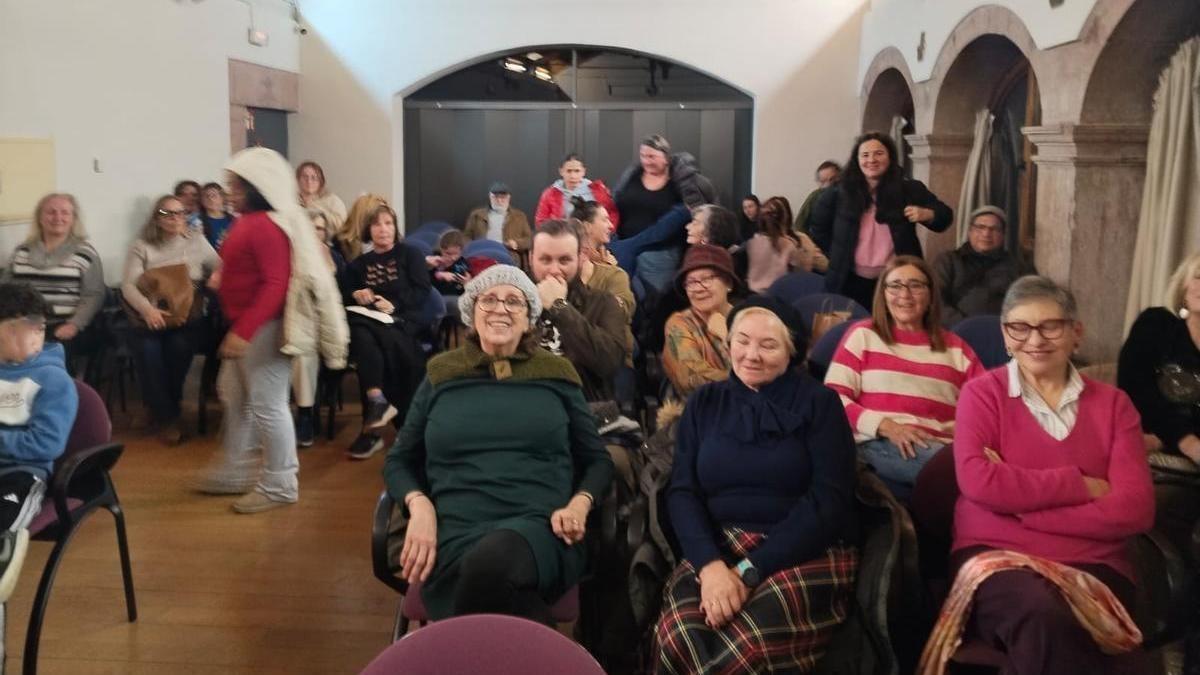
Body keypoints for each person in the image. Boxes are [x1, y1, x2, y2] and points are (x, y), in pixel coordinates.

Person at [925, 276, 1154, 674]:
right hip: (996, 559)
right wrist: (1080, 485)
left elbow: (1134, 510)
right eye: (1020, 327)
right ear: (1005, 334)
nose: (1035, 339)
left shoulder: (1115, 406)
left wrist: (1021, 510)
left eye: (1051, 325)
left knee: (1058, 628)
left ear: (1075, 332)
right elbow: (979, 482)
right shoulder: (983, 394)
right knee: (1039, 613)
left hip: (1094, 564)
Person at [383, 264, 614, 622]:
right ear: (472, 315)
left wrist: (580, 505)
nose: (500, 309)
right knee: (492, 582)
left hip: (541, 526)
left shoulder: (556, 374)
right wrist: (420, 506)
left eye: (514, 302)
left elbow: (597, 460)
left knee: (489, 566)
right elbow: (399, 460)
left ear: (528, 320)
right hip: (451, 529)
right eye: (488, 300)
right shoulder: (442, 373)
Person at [655, 296, 858, 674]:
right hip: (716, 547)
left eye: (768, 345)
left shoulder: (820, 404)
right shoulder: (704, 402)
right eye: (742, 341)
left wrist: (751, 570)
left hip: (800, 549)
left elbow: (828, 502)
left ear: (791, 351)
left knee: (741, 652)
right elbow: (682, 491)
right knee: (679, 637)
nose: (751, 355)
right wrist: (711, 566)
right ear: (728, 342)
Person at [197, 147, 348, 513]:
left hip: (264, 327)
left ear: (255, 187)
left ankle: (280, 483)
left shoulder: (265, 225)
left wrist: (244, 331)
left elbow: (275, 284)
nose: (229, 190)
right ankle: (234, 470)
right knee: (235, 396)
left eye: (236, 185)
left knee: (268, 406)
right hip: (249, 325)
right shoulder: (252, 220)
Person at [825, 255, 984, 502]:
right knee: (969, 479)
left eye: (915, 285)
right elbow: (832, 400)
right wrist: (887, 426)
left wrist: (968, 441)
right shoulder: (864, 335)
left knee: (976, 470)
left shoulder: (956, 348)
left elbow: (985, 408)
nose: (905, 294)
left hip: (944, 446)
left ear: (930, 294)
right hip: (880, 441)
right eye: (895, 286)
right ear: (883, 294)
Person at [810, 132, 953, 310]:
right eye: (865, 155)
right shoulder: (838, 193)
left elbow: (946, 216)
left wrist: (929, 214)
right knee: (852, 332)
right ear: (857, 160)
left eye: (879, 153)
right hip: (848, 280)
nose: (872, 160)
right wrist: (839, 253)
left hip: (897, 281)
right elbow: (817, 229)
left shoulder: (909, 189)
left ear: (890, 157)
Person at [1119, 252, 1200, 565]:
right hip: (1162, 461)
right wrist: (1185, 440)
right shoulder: (1156, 326)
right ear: (1183, 284)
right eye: (1198, 276)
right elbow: (1135, 391)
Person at [0, 282, 78, 602]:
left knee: (3, 525)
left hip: (22, 473)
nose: (35, 335)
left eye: (39, 328)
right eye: (24, 328)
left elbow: (46, 444)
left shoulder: (52, 379)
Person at [122, 194, 220, 444]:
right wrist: (147, 310)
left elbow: (221, 267)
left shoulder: (196, 241)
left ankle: (160, 410)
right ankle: (169, 416)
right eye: (168, 213)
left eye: (180, 213)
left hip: (187, 316)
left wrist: (215, 279)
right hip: (151, 315)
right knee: (148, 349)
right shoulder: (142, 245)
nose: (176, 218)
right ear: (157, 217)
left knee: (177, 347)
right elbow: (128, 286)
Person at [344, 202, 432, 460]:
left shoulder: (410, 255)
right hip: (372, 321)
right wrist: (357, 294)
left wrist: (395, 304)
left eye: (388, 223)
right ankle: (379, 404)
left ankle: (373, 421)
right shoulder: (359, 265)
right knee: (362, 330)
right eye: (376, 224)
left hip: (403, 321)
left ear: (395, 228)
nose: (383, 229)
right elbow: (346, 295)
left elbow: (422, 291)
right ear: (367, 230)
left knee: (366, 341)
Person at [5, 193, 105, 371]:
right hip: (22, 323)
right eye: (51, 212)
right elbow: (5, 290)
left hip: (64, 326)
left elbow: (94, 294)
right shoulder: (21, 251)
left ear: (73, 219)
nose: (58, 217)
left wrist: (74, 324)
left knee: (48, 366)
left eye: (65, 213)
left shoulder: (85, 253)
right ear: (40, 218)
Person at [530, 219, 627, 402]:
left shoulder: (603, 303)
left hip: (584, 406)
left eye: (564, 260)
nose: (554, 270)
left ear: (580, 258)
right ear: (531, 258)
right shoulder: (516, 303)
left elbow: (609, 362)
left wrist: (559, 307)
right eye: (545, 260)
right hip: (527, 405)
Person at [614, 134, 717, 295]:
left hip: (661, 254)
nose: (646, 161)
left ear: (666, 157)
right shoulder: (632, 174)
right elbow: (617, 201)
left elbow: (692, 211)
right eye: (643, 156)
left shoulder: (681, 181)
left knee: (656, 299)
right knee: (627, 296)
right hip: (626, 249)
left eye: (652, 156)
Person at [291, 210, 345, 447]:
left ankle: (308, 409)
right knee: (302, 351)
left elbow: (340, 296)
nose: (315, 232)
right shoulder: (289, 256)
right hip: (297, 321)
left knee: (308, 352)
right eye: (310, 227)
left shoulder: (334, 257)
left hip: (327, 322)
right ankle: (303, 412)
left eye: (319, 228)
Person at [934, 205, 1035, 325]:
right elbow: (936, 299)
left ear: (1003, 235)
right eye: (980, 227)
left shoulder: (1019, 265)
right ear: (970, 231)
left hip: (1003, 333)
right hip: (955, 332)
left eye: (994, 229)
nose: (986, 234)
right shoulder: (948, 260)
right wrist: (965, 327)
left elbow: (1032, 300)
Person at [662, 245, 736, 398]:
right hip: (704, 410)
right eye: (691, 282)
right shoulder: (680, 323)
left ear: (728, 283)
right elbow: (690, 378)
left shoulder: (749, 319)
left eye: (707, 279)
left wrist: (726, 334)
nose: (698, 288)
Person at [745, 196, 827, 294]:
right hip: (791, 294)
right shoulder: (797, 241)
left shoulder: (753, 242)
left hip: (756, 297)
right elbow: (824, 265)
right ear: (786, 217)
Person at [574, 198, 635, 327]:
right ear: (587, 226)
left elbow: (625, 312)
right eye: (604, 220)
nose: (611, 225)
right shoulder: (567, 268)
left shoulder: (613, 267)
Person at [534, 154, 619, 229]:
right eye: (569, 171)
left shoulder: (598, 190)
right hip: (563, 237)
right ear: (561, 171)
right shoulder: (550, 193)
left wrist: (607, 233)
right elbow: (541, 221)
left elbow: (611, 213)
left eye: (577, 171)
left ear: (584, 171)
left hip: (592, 238)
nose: (573, 176)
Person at [463, 183, 532, 258]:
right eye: (495, 197)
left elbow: (529, 240)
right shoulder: (477, 215)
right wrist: (474, 247)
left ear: (509, 198)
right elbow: (466, 237)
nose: (499, 200)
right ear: (490, 197)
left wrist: (516, 243)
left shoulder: (519, 216)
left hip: (509, 254)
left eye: (503, 197)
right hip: (482, 253)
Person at [334, 193, 389, 265]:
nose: (384, 227)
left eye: (387, 222)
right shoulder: (339, 250)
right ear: (363, 219)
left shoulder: (399, 250)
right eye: (377, 221)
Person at [296, 160, 348, 237]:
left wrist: (320, 211)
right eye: (305, 177)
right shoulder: (291, 200)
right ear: (298, 180)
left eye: (314, 178)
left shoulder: (332, 200)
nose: (309, 181)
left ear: (321, 181)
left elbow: (343, 225)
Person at [794, 160, 841, 234]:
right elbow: (799, 226)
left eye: (832, 179)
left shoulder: (850, 196)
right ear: (818, 182)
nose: (828, 184)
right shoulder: (814, 197)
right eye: (823, 181)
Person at [198, 182, 234, 251]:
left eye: (214, 195)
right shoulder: (197, 221)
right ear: (202, 200)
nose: (210, 199)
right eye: (206, 196)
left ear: (222, 198)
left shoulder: (234, 220)